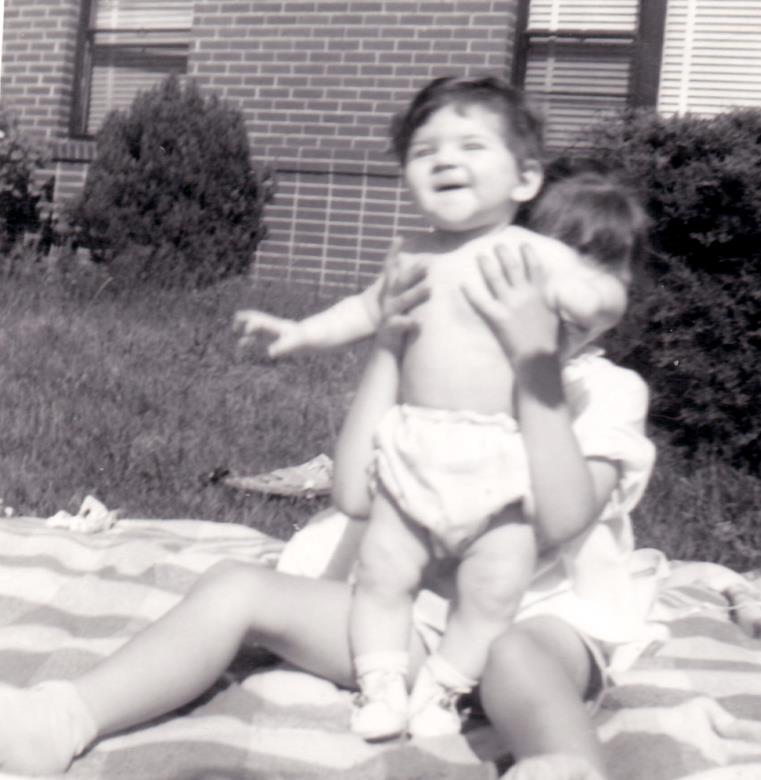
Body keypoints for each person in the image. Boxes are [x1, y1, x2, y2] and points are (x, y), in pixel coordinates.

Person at [0, 240, 660, 780]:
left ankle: (565, 766)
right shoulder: (440, 373)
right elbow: (351, 494)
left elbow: (562, 522)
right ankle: (60, 720)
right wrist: (391, 351)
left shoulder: (604, 390)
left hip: (537, 617)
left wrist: (531, 365)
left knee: (517, 655)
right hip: (415, 626)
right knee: (235, 588)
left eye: (599, 276)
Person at [236, 76, 648, 742]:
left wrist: (593, 296)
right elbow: (365, 311)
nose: (444, 160)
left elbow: (597, 293)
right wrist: (302, 332)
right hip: (414, 448)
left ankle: (444, 687)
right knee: (380, 574)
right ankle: (381, 682)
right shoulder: (409, 254)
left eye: (469, 145)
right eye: (425, 150)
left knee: (492, 589)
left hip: (500, 462)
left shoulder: (532, 254)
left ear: (523, 180)